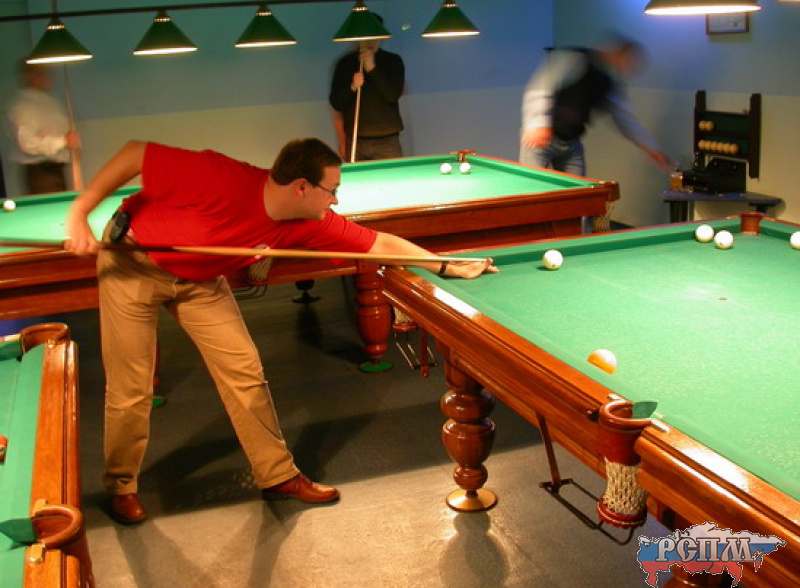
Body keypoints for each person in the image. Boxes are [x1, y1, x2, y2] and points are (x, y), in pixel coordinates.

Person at [64, 138, 495, 524]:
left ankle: (277, 476)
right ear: (301, 187)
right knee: (131, 386)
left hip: (200, 278)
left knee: (245, 373)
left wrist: (444, 264)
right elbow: (134, 153)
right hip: (133, 260)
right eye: (332, 190)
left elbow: (376, 242)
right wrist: (79, 214)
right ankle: (121, 486)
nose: (336, 200)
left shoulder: (309, 222)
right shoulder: (221, 176)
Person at [519, 36, 671, 176]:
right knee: (532, 189)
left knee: (579, 192)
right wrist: (538, 125)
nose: (630, 67)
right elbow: (541, 88)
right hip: (540, 140)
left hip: (571, 143)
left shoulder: (608, 82)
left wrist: (650, 148)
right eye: (629, 61)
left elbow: (625, 118)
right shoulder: (574, 58)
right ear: (618, 53)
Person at [329, 15, 405, 161]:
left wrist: (371, 69)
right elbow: (336, 103)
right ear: (358, 38)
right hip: (356, 140)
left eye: (375, 36)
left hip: (387, 141)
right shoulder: (345, 63)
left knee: (391, 175)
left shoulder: (393, 61)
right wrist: (352, 87)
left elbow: (392, 95)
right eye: (366, 37)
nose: (371, 41)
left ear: (381, 37)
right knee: (357, 176)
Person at [7, 61, 80, 194]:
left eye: (46, 73)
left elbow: (67, 133)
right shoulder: (23, 106)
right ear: (28, 76)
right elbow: (28, 143)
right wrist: (63, 141)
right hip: (41, 172)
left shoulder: (52, 102)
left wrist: (73, 148)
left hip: (58, 169)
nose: (46, 77)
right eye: (40, 74)